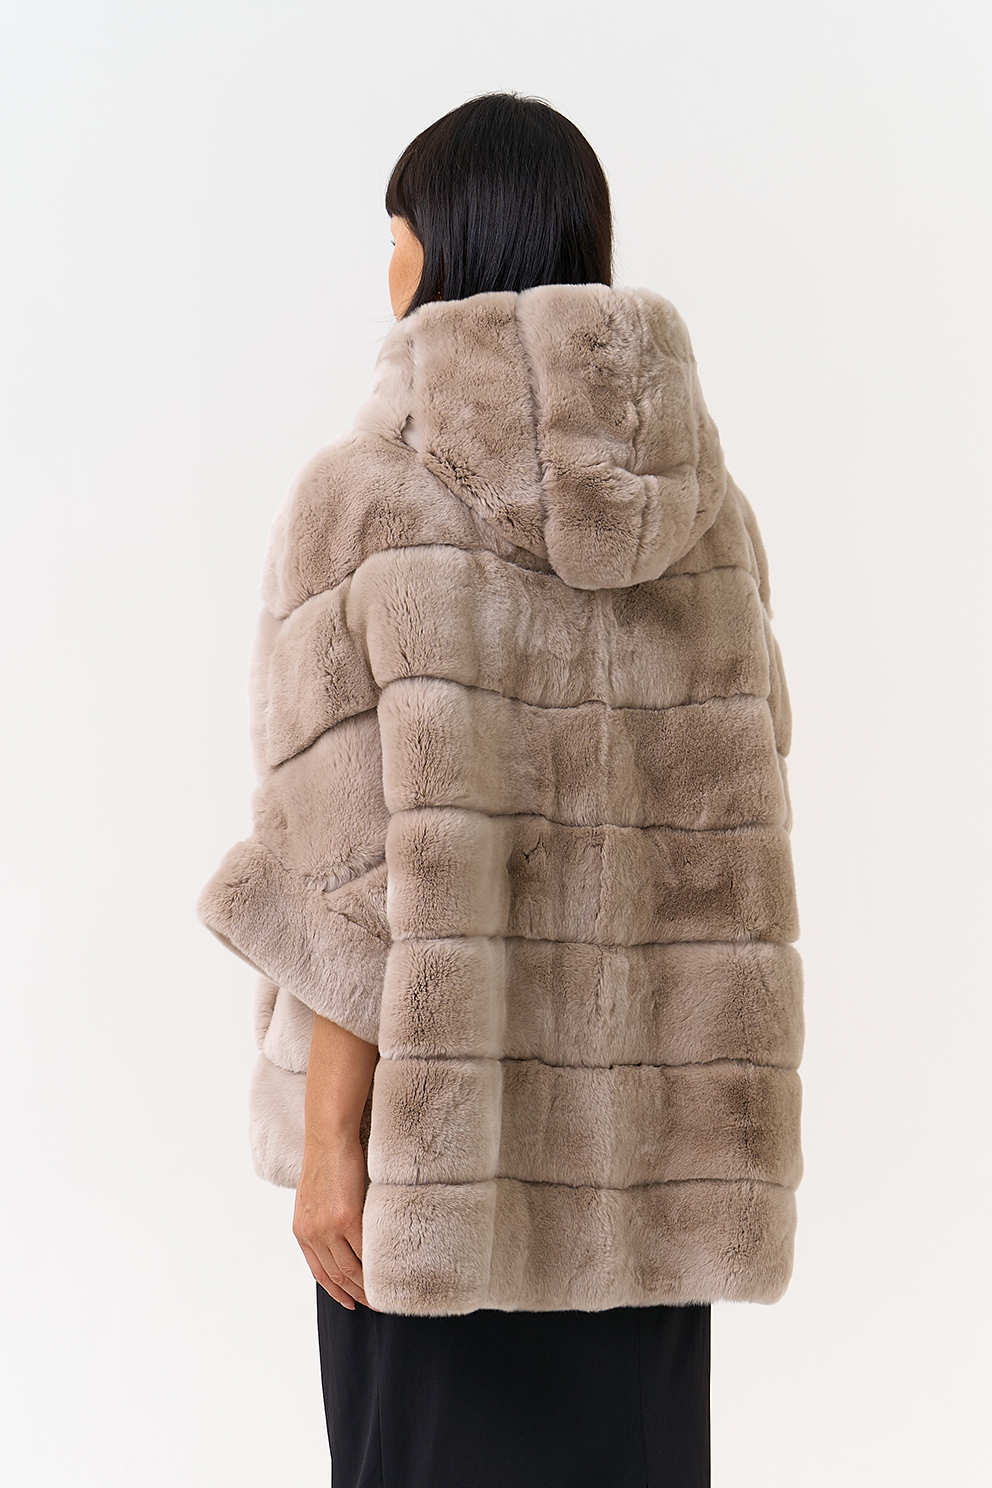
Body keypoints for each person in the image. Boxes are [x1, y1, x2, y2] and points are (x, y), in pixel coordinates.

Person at [197, 91, 804, 1488]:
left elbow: (345, 884)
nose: (387, 266)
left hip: (434, 1184)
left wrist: (332, 1146)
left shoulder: (368, 498)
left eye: (395, 234)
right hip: (646, 1205)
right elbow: (736, 843)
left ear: (444, 245)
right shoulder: (708, 519)